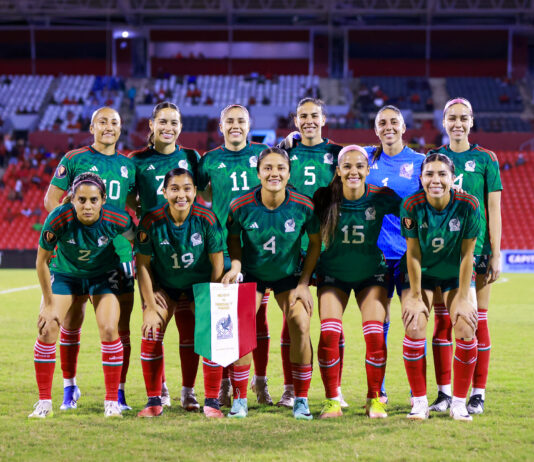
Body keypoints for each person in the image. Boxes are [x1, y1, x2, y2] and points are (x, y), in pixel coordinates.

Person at [43, 107, 136, 411]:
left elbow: (132, 210)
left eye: (114, 122)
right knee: (70, 322)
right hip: (75, 258)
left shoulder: (128, 165)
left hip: (111, 260)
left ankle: (118, 394)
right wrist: (74, 233)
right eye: (103, 122)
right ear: (92, 126)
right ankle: (70, 389)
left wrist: (125, 245)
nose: (108, 127)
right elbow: (51, 201)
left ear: (121, 128)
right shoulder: (74, 158)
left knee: (118, 327)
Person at [221, 147, 321, 420]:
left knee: (300, 322)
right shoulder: (240, 205)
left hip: (289, 275)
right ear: (258, 172)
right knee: (240, 325)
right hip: (253, 273)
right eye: (268, 168)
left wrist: (303, 282)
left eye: (280, 168)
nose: (274, 173)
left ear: (289, 173)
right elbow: (232, 238)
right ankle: (240, 400)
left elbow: (314, 243)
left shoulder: (304, 205)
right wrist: (237, 265)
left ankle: (301, 399)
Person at [29, 173, 134, 418]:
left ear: (103, 200)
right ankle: (45, 402)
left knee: (110, 329)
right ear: (72, 199)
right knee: (47, 328)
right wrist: (47, 303)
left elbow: (138, 240)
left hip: (102, 275)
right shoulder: (58, 217)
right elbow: (41, 261)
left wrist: (128, 262)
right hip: (66, 275)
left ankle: (111, 402)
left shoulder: (117, 218)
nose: (87, 205)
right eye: (82, 199)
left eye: (93, 200)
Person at [313, 145, 402, 419]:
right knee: (329, 333)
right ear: (338, 171)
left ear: (367, 169)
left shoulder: (382, 197)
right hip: (333, 274)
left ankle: (374, 399)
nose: (353, 171)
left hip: (371, 275)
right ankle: (332, 401)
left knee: (375, 334)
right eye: (347, 166)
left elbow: (415, 212)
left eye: (359, 166)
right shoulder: (324, 197)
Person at [427, 98, 502, 415]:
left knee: (476, 321)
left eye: (463, 118)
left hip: (477, 252)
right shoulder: (433, 159)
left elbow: (494, 208)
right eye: (451, 118)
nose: (457, 123)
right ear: (443, 122)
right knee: (442, 323)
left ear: (472, 122)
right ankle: (444, 393)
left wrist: (496, 253)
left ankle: (477, 393)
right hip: (441, 253)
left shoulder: (486, 159)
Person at [197, 104, 272, 406]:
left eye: (241, 120)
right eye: (230, 121)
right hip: (221, 248)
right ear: (221, 126)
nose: (236, 125)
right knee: (223, 320)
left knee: (257, 320)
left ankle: (260, 383)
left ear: (249, 124)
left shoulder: (264, 153)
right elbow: (202, 194)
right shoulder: (210, 160)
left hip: (256, 248)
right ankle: (225, 384)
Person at [135, 168, 226, 418]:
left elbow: (217, 262)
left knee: (211, 330)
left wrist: (211, 299)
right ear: (164, 192)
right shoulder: (151, 221)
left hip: (199, 286)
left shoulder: (206, 218)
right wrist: (150, 306)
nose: (181, 194)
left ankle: (211, 401)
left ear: (195, 191)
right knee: (151, 330)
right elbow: (141, 265)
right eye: (174, 189)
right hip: (165, 286)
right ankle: (154, 401)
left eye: (187, 188)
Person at [130, 101, 202, 410]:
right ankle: (158, 391)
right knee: (154, 326)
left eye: (174, 122)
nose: (168, 127)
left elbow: (206, 193)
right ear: (151, 125)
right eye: (163, 122)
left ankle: (189, 392)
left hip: (190, 252)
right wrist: (138, 230)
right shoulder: (136, 160)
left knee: (189, 330)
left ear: (181, 127)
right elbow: (125, 199)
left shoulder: (191, 157)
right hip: (155, 256)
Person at [400, 153, 481, 421]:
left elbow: (468, 254)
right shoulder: (411, 205)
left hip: (452, 277)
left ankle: (459, 403)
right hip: (420, 276)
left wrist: (464, 296)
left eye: (442, 174)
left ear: (452, 177)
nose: (435, 179)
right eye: (429, 174)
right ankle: (420, 402)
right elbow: (412, 253)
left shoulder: (468, 204)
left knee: (466, 326)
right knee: (414, 324)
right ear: (421, 178)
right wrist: (413, 295)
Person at [277, 97, 344, 408]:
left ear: (324, 119)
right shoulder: (286, 152)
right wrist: (281, 144)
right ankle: (290, 389)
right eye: (302, 116)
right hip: (294, 248)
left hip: (330, 246)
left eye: (314, 115)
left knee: (333, 321)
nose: (308, 121)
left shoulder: (336, 153)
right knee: (292, 319)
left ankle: (336, 389)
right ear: (295, 120)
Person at [365, 105, 425, 403]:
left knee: (414, 320)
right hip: (374, 255)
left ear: (404, 128)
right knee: (379, 324)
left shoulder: (420, 162)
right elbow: (331, 152)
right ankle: (380, 391)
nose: (388, 127)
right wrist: (296, 136)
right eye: (382, 123)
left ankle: (419, 394)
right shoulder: (365, 157)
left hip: (408, 255)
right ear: (375, 130)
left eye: (394, 122)